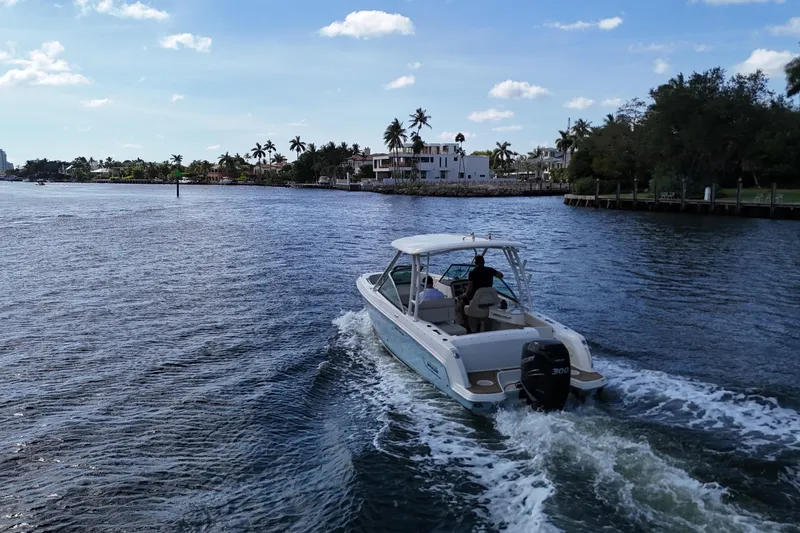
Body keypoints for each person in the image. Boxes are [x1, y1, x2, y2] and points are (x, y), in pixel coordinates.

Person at [458, 255, 503, 332]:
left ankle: (467, 327)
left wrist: (463, 295)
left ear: (475, 263)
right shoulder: (490, 270)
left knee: (462, 303)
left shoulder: (472, 273)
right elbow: (501, 276)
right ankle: (486, 328)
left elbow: (469, 290)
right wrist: (493, 272)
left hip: (476, 301)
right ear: (484, 262)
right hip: (489, 301)